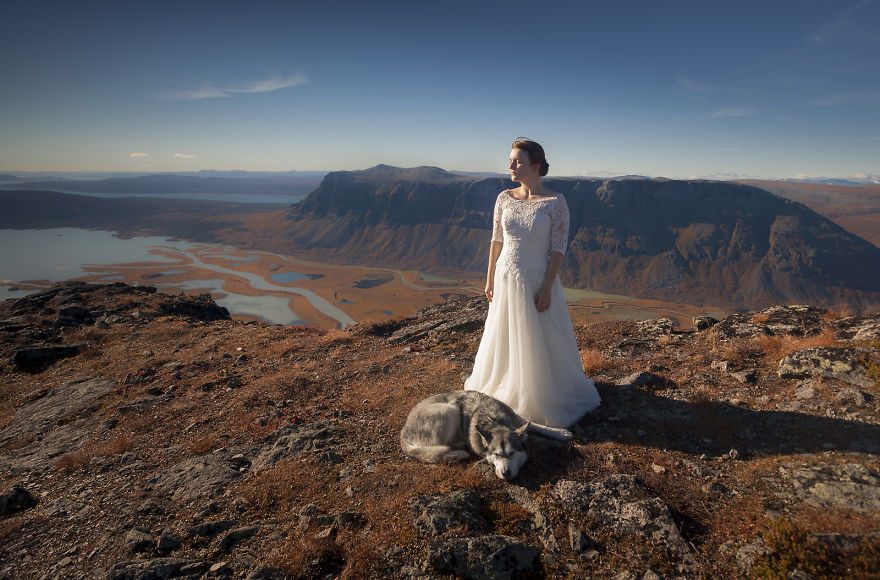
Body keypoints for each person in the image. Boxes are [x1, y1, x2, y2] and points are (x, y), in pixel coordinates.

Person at [464, 138, 601, 429]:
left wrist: (547, 287)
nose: (511, 166)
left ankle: (538, 394)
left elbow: (558, 249)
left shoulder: (555, 203)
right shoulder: (504, 198)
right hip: (505, 277)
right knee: (505, 334)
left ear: (536, 165)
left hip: (536, 279)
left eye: (518, 161)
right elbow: (496, 240)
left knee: (537, 337)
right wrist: (489, 278)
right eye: (510, 161)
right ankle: (507, 383)